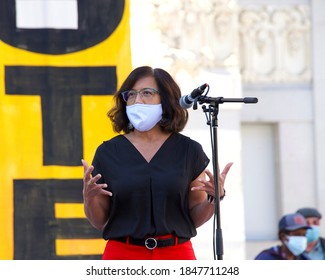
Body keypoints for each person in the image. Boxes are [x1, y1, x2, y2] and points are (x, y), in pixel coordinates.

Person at [82, 66, 233, 260]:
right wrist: (89, 199)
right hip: (123, 254)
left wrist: (214, 198)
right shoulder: (108, 152)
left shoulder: (189, 150)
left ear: (166, 99)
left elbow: (194, 216)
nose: (137, 101)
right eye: (131, 95)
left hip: (176, 253)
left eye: (146, 93)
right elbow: (100, 221)